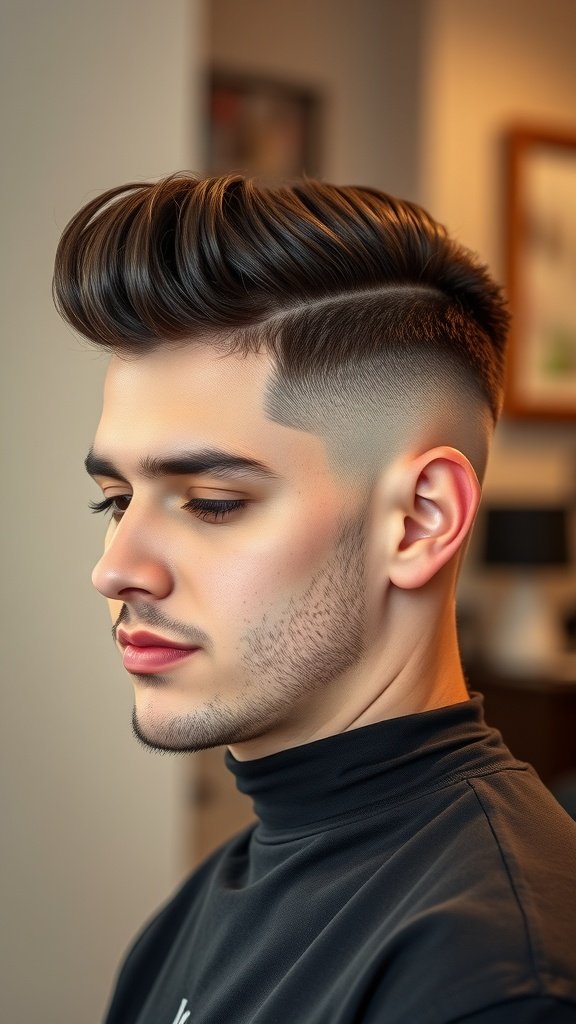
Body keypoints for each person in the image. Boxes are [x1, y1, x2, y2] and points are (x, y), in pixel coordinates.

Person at [53, 174, 576, 1024]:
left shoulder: (498, 979)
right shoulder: (191, 915)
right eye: (116, 501)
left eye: (211, 502)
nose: (116, 568)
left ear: (417, 521)